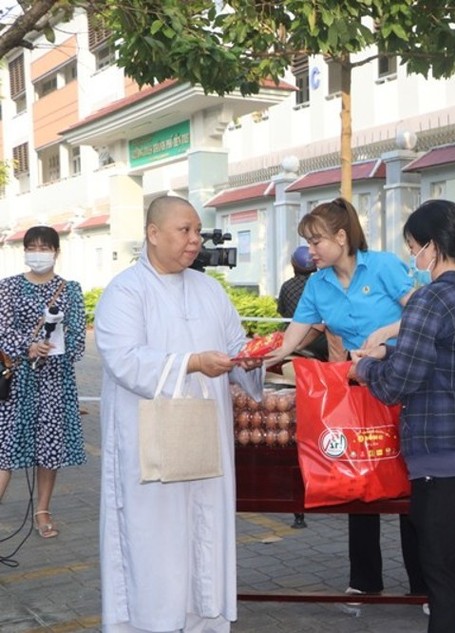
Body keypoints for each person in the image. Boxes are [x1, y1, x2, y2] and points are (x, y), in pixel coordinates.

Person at [95, 196, 264, 632]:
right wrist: (191, 363)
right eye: (184, 230)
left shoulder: (208, 289)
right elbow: (125, 360)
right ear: (153, 234)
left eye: (197, 231)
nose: (194, 240)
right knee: (156, 545)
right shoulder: (126, 290)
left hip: (206, 442)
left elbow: (234, 347)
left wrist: (258, 357)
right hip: (148, 450)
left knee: (205, 537)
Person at [351, 199, 455, 633]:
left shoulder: (431, 299)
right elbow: (444, 353)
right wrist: (388, 349)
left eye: (413, 247)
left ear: (433, 248)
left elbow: (394, 384)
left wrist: (362, 367)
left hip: (443, 460)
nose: (411, 258)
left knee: (441, 575)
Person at [266, 197, 427, 601]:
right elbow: (293, 336)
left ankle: (423, 585)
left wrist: (384, 334)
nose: (310, 250)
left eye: (316, 240)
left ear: (342, 236)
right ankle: (366, 578)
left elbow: (423, 312)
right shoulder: (316, 285)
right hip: (355, 384)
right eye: (307, 241)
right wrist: (265, 357)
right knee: (359, 472)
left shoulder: (385, 266)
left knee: (406, 479)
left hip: (400, 381)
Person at [0, 225, 86, 539]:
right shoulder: (7, 287)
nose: (38, 253)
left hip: (54, 379)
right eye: (32, 247)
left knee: (49, 446)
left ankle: (42, 510)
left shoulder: (70, 289)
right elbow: (2, 328)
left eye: (44, 247)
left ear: (56, 252)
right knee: (5, 446)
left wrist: (57, 349)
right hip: (18, 377)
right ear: (24, 251)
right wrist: (28, 346)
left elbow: (77, 336)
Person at [276, 245, 328, 360]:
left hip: (294, 342)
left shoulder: (287, 286)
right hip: (322, 344)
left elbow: (282, 312)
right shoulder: (322, 284)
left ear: (293, 264)